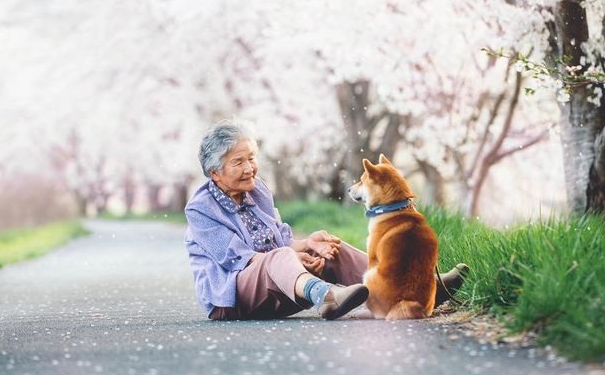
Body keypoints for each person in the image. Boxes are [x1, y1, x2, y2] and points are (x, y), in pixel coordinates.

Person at [184, 119, 466, 321]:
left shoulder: (256, 189)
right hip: (232, 301)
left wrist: (309, 245)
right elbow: (239, 258)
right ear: (215, 173)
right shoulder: (200, 209)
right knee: (281, 257)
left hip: (283, 289)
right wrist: (293, 258)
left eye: (252, 158)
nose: (250, 168)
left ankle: (416, 287)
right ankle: (327, 297)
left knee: (331, 248)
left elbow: (279, 241)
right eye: (238, 162)